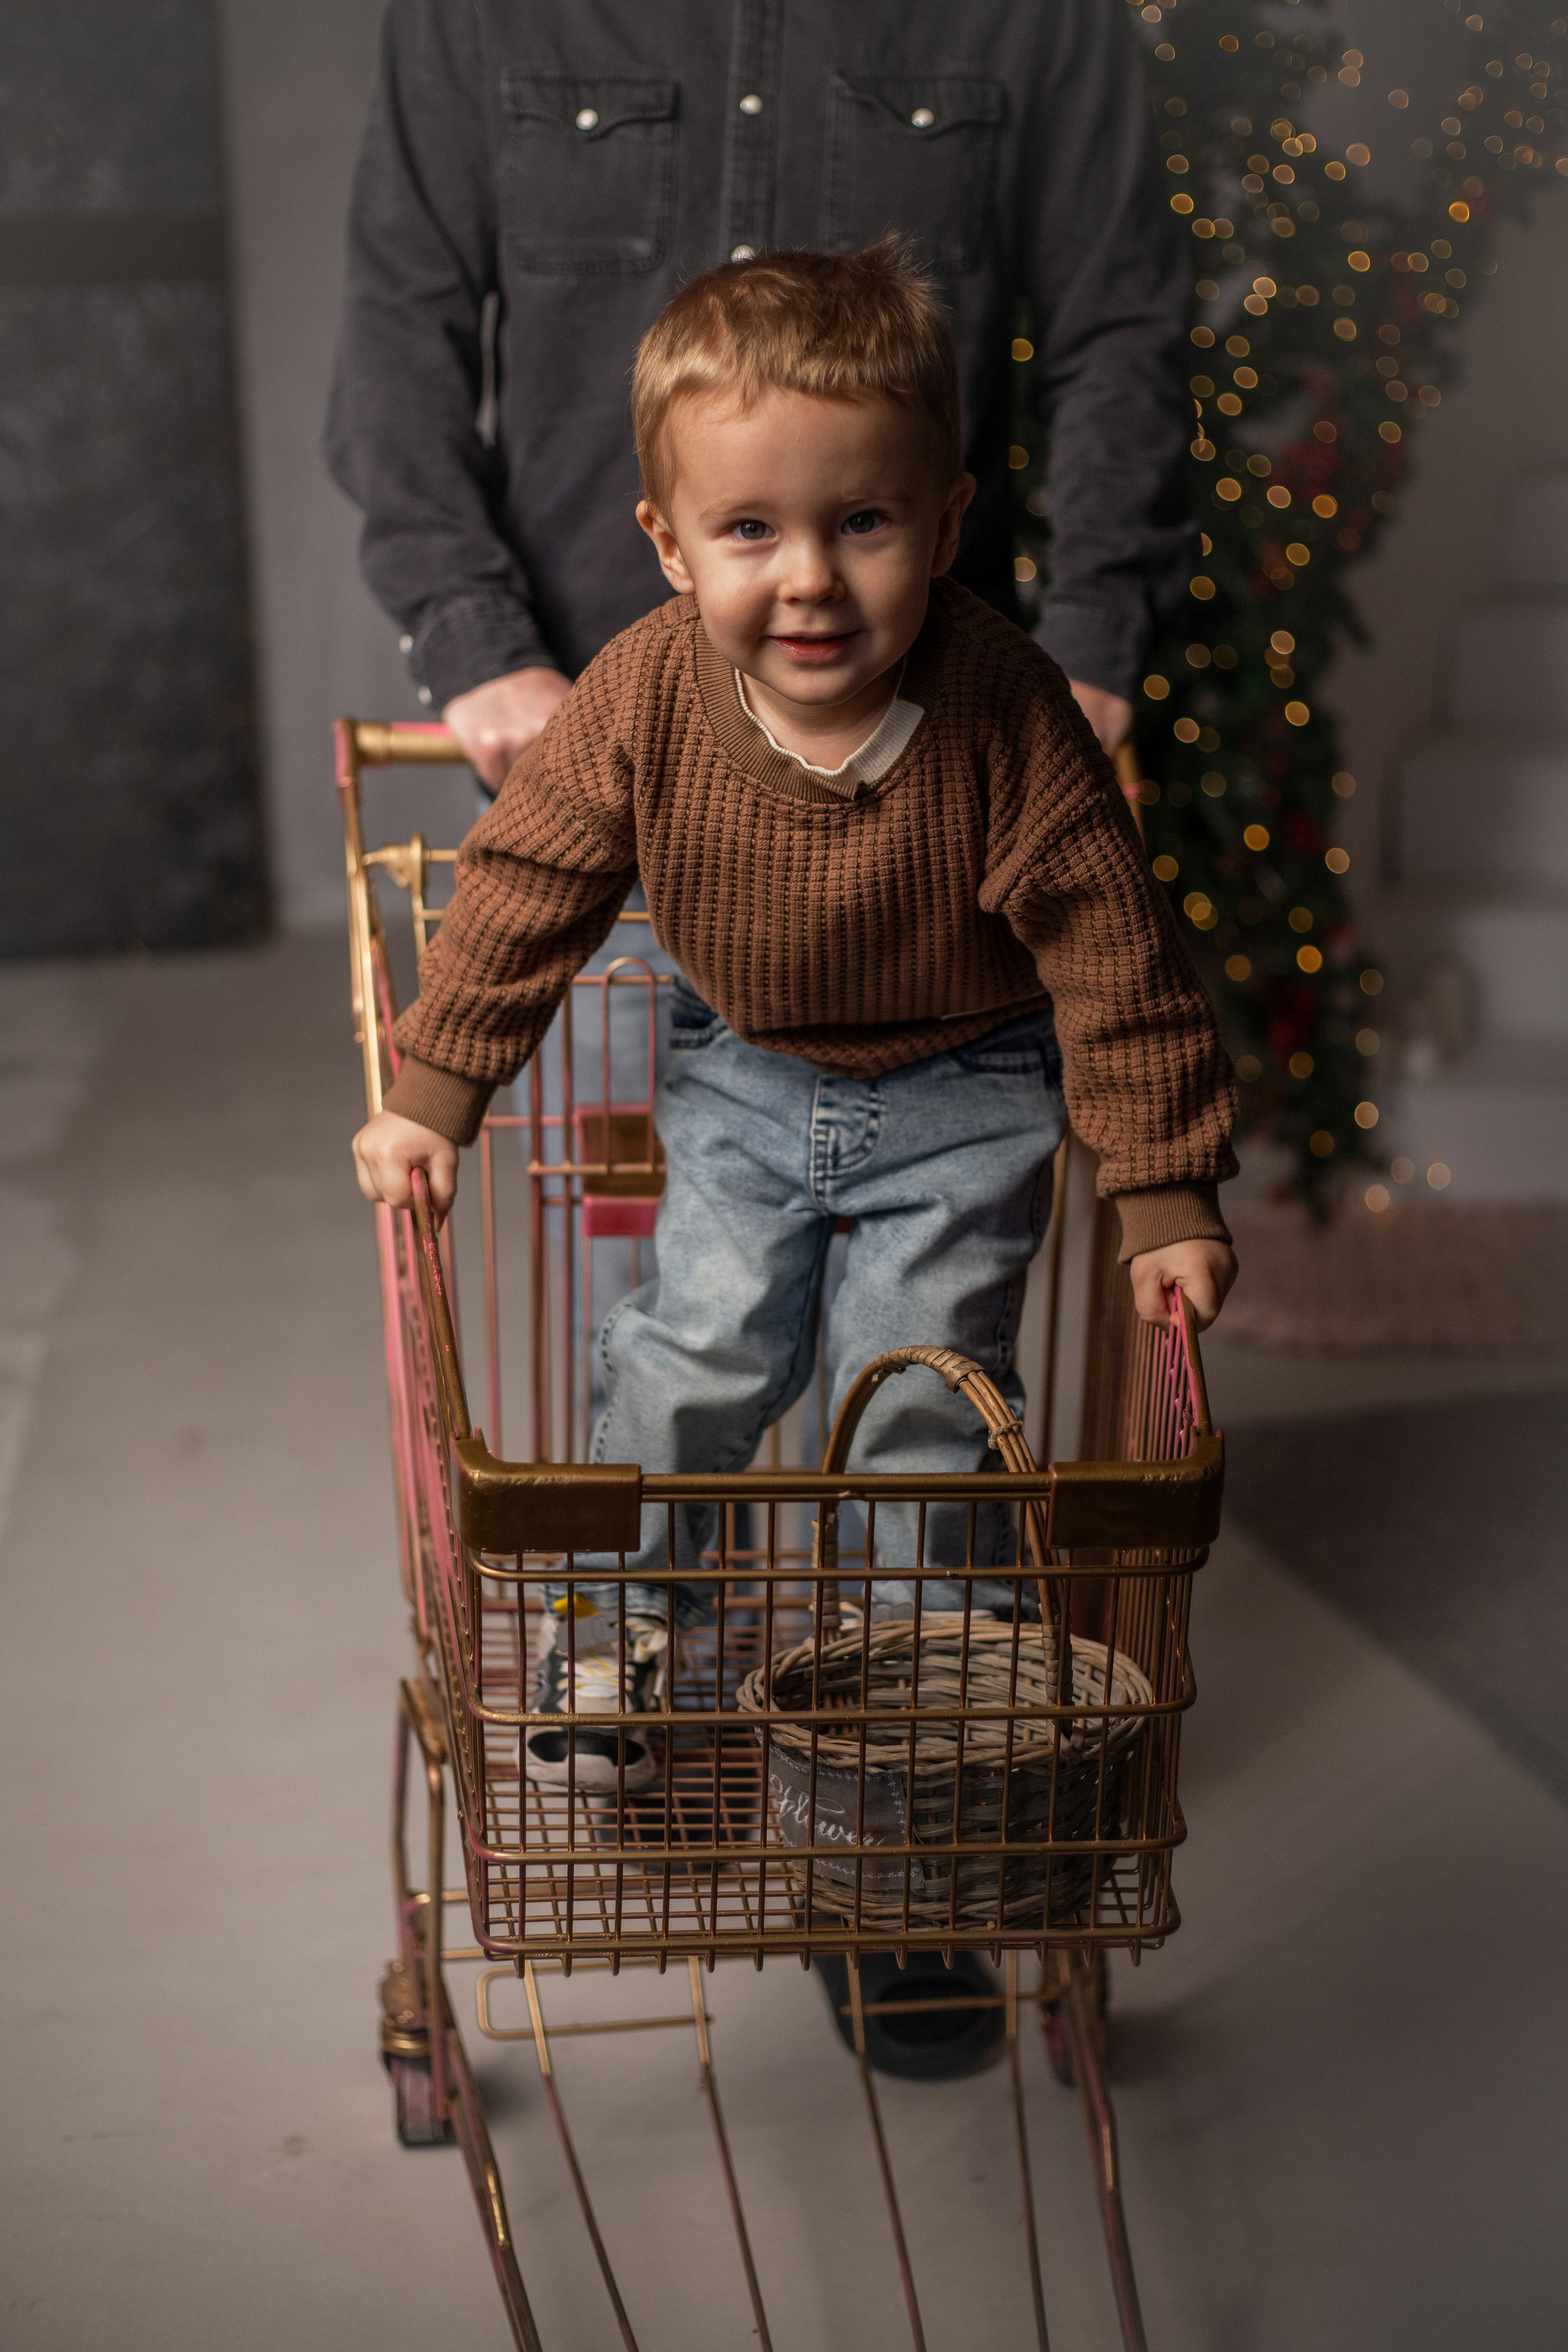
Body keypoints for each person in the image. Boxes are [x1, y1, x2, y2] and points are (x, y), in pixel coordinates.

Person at [351, 244, 1237, 1790]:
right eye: (750, 529)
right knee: (689, 1359)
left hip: (967, 1099)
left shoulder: (1003, 712)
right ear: (671, 545)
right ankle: (616, 1626)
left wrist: (1161, 1188)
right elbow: (520, 890)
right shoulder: (639, 701)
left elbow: (1113, 953)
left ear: (948, 521)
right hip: (745, 1078)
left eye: (864, 521)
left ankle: (903, 1684)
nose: (809, 577)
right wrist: (434, 1090)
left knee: (918, 1395)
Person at [325, 0, 1196, 787]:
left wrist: (1093, 643)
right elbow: (394, 345)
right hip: (587, 744)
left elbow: (1119, 331)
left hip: (938, 753)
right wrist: (477, 645)